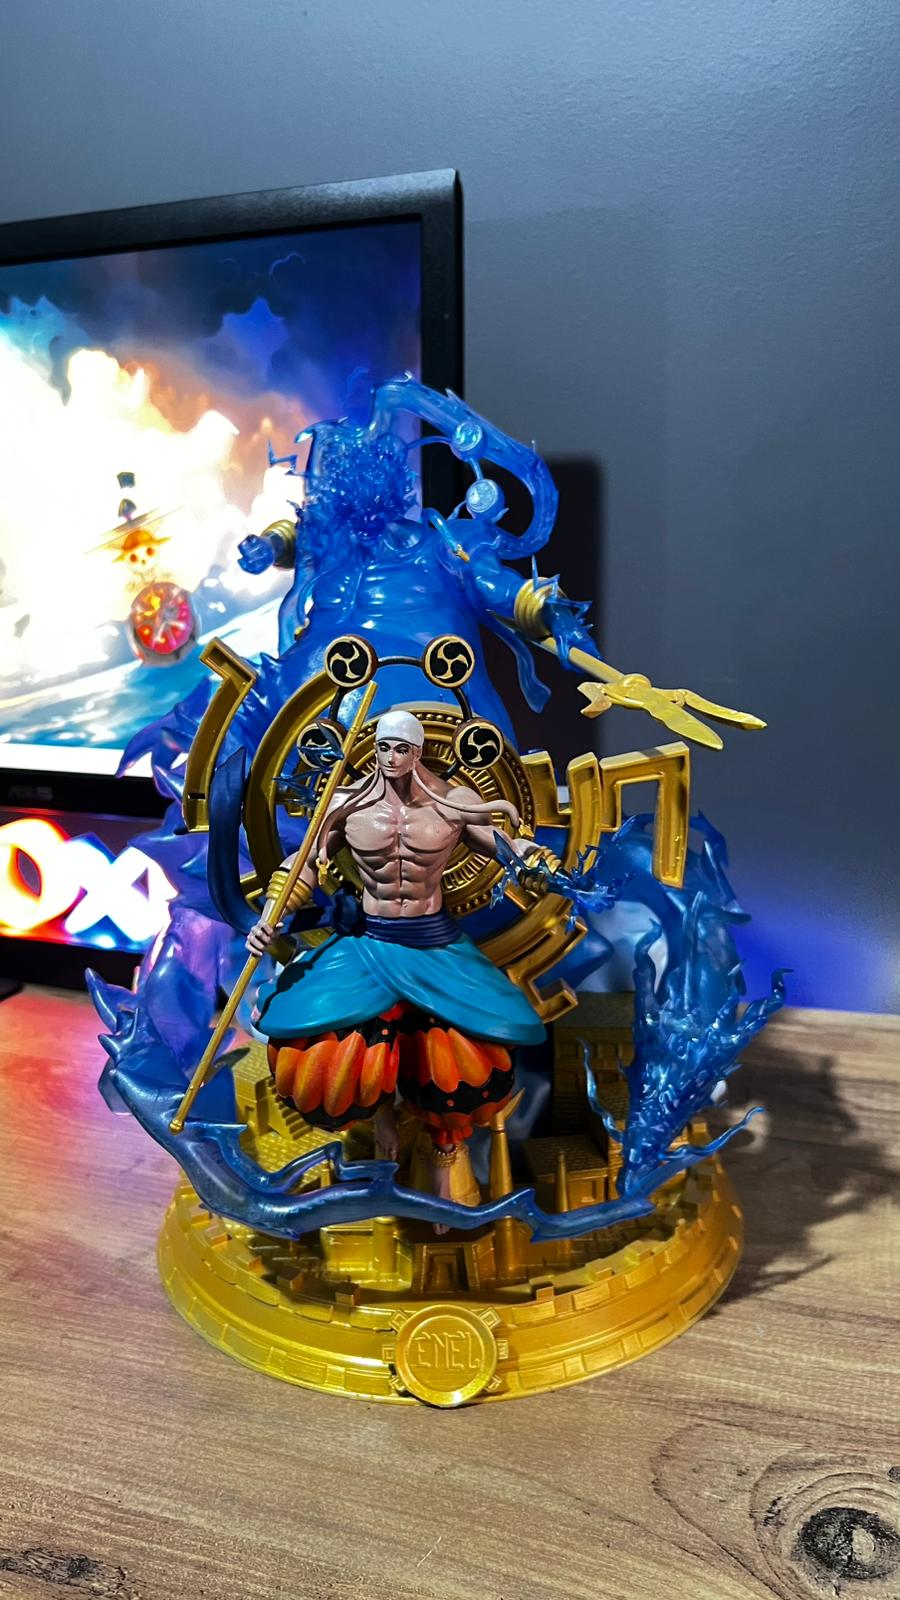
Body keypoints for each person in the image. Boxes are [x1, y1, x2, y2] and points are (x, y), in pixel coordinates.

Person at [247, 708, 546, 1214]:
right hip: (371, 939)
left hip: (433, 940)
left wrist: (537, 863)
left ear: (419, 750)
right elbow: (304, 865)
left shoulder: (454, 802)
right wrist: (272, 914)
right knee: (316, 1052)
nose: (390, 757)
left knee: (470, 1053)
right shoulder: (345, 803)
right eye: (383, 747)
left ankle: (443, 1149)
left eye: (401, 748)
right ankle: (378, 1120)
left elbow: (503, 846)